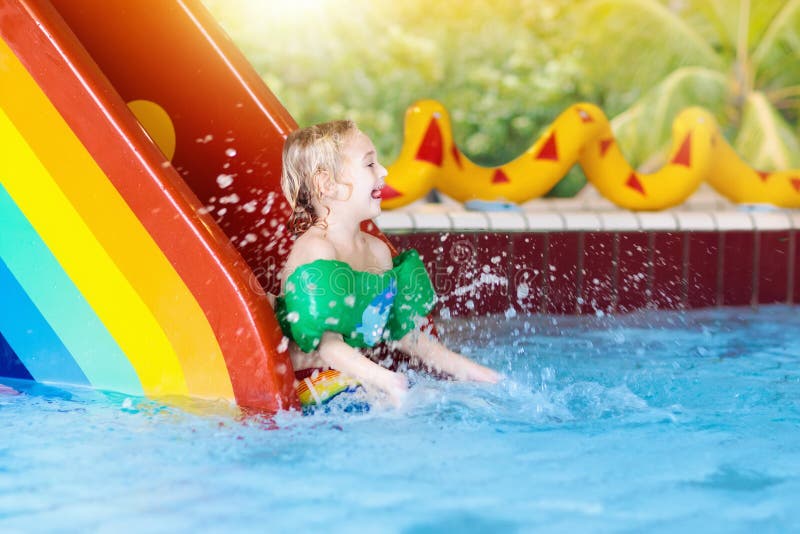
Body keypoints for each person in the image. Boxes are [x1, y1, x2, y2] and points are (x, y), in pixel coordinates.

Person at [275, 120, 500, 409]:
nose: (383, 171)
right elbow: (327, 345)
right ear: (326, 183)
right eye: (369, 164)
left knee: (442, 401)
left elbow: (406, 335)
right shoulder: (316, 250)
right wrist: (388, 381)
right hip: (308, 383)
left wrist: (478, 374)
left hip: (356, 379)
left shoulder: (377, 251)